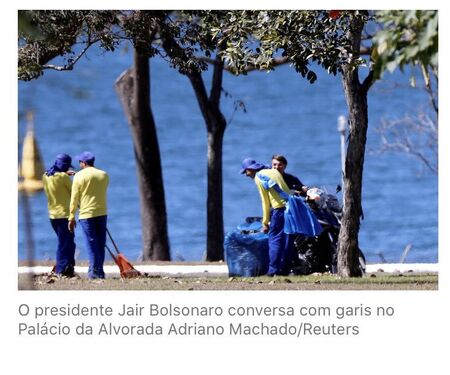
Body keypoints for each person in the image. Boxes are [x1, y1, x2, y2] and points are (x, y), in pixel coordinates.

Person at [241, 158, 292, 276]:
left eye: (246, 172)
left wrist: (265, 222)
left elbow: (265, 202)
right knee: (288, 240)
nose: (246, 175)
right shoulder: (273, 171)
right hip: (291, 208)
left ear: (250, 169)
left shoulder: (259, 177)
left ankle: (272, 271)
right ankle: (285, 270)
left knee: (274, 240)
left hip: (279, 210)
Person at [68, 151, 109, 279]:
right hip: (102, 213)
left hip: (86, 214)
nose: (79, 164)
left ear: (83, 163)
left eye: (80, 162)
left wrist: (71, 217)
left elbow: (74, 199)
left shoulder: (79, 177)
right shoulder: (104, 175)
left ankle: (94, 273)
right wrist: (79, 175)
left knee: (91, 244)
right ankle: (98, 271)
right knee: (100, 243)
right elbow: (93, 185)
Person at [42, 153, 76, 277]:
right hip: (64, 216)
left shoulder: (45, 176)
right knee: (65, 243)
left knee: (68, 242)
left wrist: (64, 175)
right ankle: (61, 270)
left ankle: (68, 268)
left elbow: (56, 180)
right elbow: (74, 193)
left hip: (53, 216)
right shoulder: (63, 178)